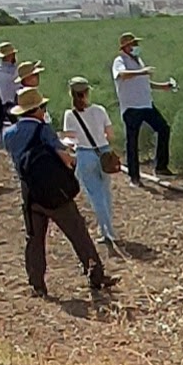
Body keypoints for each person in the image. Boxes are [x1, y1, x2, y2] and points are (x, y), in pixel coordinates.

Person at [1, 86, 111, 298]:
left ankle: (37, 283)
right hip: (54, 190)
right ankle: (96, 275)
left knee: (34, 238)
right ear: (38, 109)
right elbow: (64, 156)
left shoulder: (9, 134)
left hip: (29, 190)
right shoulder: (43, 130)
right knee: (78, 232)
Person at [111, 31, 176, 185]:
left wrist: (163, 86)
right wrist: (142, 72)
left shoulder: (138, 61)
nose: (136, 47)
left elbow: (143, 82)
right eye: (134, 44)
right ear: (126, 47)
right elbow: (122, 75)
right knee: (132, 141)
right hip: (131, 108)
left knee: (163, 128)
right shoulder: (119, 61)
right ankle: (134, 177)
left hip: (146, 104)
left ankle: (161, 166)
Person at [62, 77, 118, 247]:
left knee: (95, 195)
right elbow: (111, 135)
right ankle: (109, 228)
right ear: (87, 92)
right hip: (104, 152)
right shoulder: (100, 110)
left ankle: (106, 231)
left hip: (85, 155)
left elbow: (69, 139)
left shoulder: (70, 115)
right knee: (105, 191)